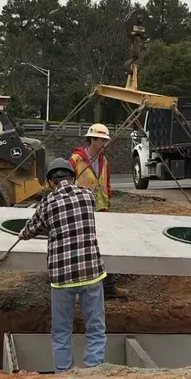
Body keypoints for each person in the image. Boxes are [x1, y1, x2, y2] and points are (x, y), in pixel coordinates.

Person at [18, 157, 107, 373]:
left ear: (50, 182)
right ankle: (94, 371)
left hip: (62, 278)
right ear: (72, 176)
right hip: (91, 274)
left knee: (61, 331)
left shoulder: (47, 203)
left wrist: (23, 234)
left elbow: (31, 230)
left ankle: (64, 376)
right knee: (95, 328)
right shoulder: (88, 196)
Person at [70, 123, 129, 299]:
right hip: (80, 212)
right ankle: (79, 288)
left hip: (101, 211)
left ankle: (109, 286)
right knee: (81, 249)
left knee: (106, 247)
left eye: (105, 139)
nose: (104, 142)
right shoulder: (75, 160)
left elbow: (107, 185)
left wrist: (107, 206)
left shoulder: (104, 161)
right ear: (92, 139)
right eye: (101, 139)